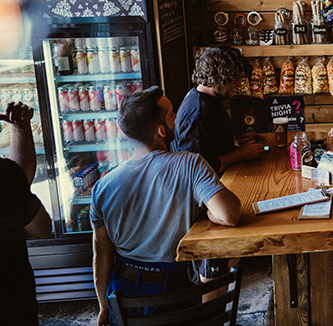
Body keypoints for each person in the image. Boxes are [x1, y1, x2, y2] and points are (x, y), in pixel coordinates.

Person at [90, 86, 240, 326]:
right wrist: (210, 210)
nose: (178, 118)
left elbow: (102, 255)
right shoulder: (190, 164)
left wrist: (103, 306)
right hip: (178, 297)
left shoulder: (102, 187)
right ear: (162, 131)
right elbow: (229, 215)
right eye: (172, 115)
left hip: (126, 300)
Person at [172, 47, 266, 174]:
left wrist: (235, 140)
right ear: (216, 79)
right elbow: (196, 168)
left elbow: (207, 142)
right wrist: (241, 154)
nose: (238, 85)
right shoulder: (197, 113)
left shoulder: (208, 97)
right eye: (233, 80)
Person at [0, 101, 52, 326]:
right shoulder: (3, 177)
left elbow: (18, 179)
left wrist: (20, 128)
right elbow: (41, 228)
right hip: (9, 305)